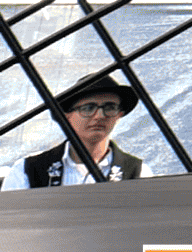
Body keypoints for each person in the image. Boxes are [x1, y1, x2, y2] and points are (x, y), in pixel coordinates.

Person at [18, 71, 149, 186]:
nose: (100, 116)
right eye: (88, 108)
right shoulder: (27, 170)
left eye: (110, 107)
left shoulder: (138, 171)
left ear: (119, 115)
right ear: (67, 116)